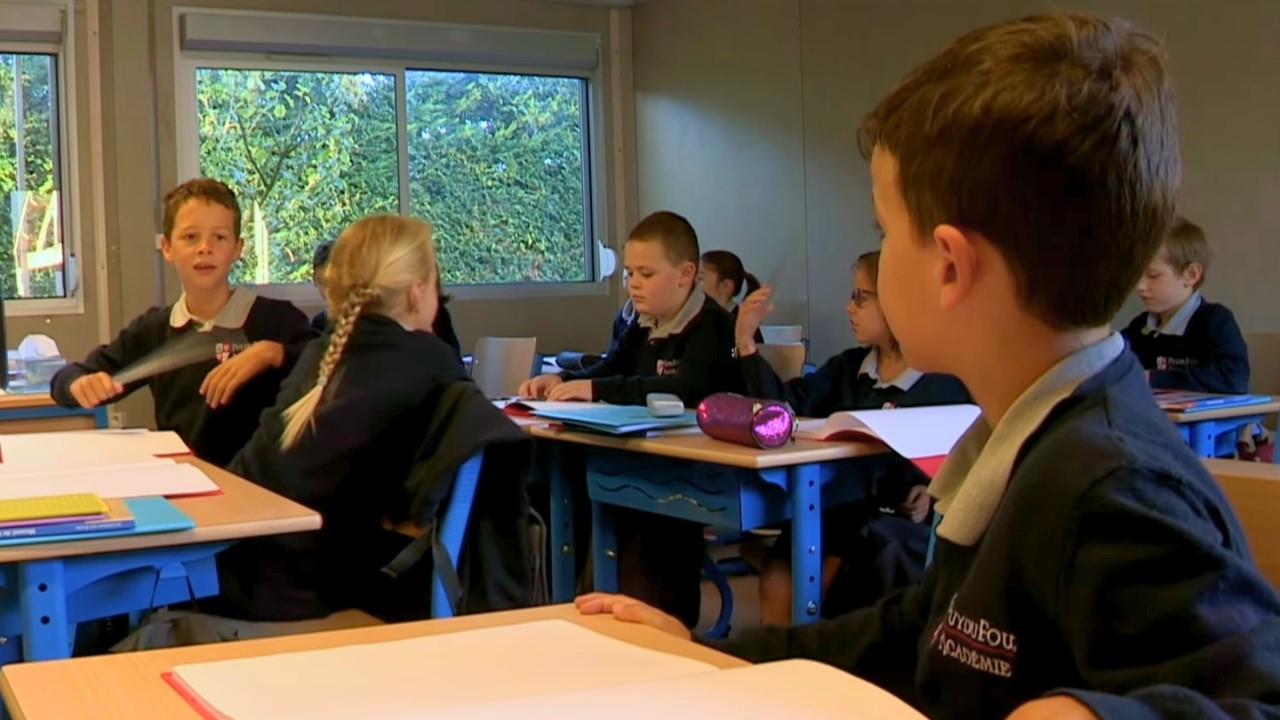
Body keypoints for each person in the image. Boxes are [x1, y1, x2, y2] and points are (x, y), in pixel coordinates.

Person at [576, 13, 1280, 720]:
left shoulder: (1118, 487)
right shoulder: (1017, 439)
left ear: (948, 266)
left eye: (887, 232)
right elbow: (921, 636)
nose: (879, 258)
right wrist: (715, 661)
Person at [520, 210, 741, 629]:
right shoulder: (641, 324)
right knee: (564, 489)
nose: (633, 284)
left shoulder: (713, 327)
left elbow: (685, 389)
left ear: (685, 274)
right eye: (628, 273)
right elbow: (611, 368)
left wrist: (597, 390)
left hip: (688, 474)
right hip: (635, 459)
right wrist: (563, 380)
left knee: (645, 537)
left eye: (646, 273)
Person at [737, 250, 969, 624]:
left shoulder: (944, 380)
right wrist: (746, 344)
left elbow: (968, 460)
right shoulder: (848, 367)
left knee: (837, 579)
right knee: (782, 577)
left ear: (898, 302)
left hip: (890, 524)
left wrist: (933, 491)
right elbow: (783, 408)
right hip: (833, 508)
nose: (849, 308)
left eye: (861, 298)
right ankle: (786, 662)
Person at [50, 178, 311, 467]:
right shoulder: (153, 331)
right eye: (190, 237)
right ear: (167, 247)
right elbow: (65, 381)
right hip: (185, 480)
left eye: (219, 237)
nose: (205, 248)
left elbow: (329, 368)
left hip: (261, 486)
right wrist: (78, 385)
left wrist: (272, 353)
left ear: (237, 248)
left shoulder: (277, 320)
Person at [1121, 215, 1249, 394]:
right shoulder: (1140, 327)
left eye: (1153, 275)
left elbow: (1234, 379)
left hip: (1207, 421)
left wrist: (1153, 378)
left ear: (1191, 275)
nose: (1140, 286)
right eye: (1137, 275)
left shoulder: (1215, 321)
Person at [700, 250, 764, 343]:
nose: (693, 283)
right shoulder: (702, 317)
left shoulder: (742, 323)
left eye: (700, 278)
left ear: (726, 286)